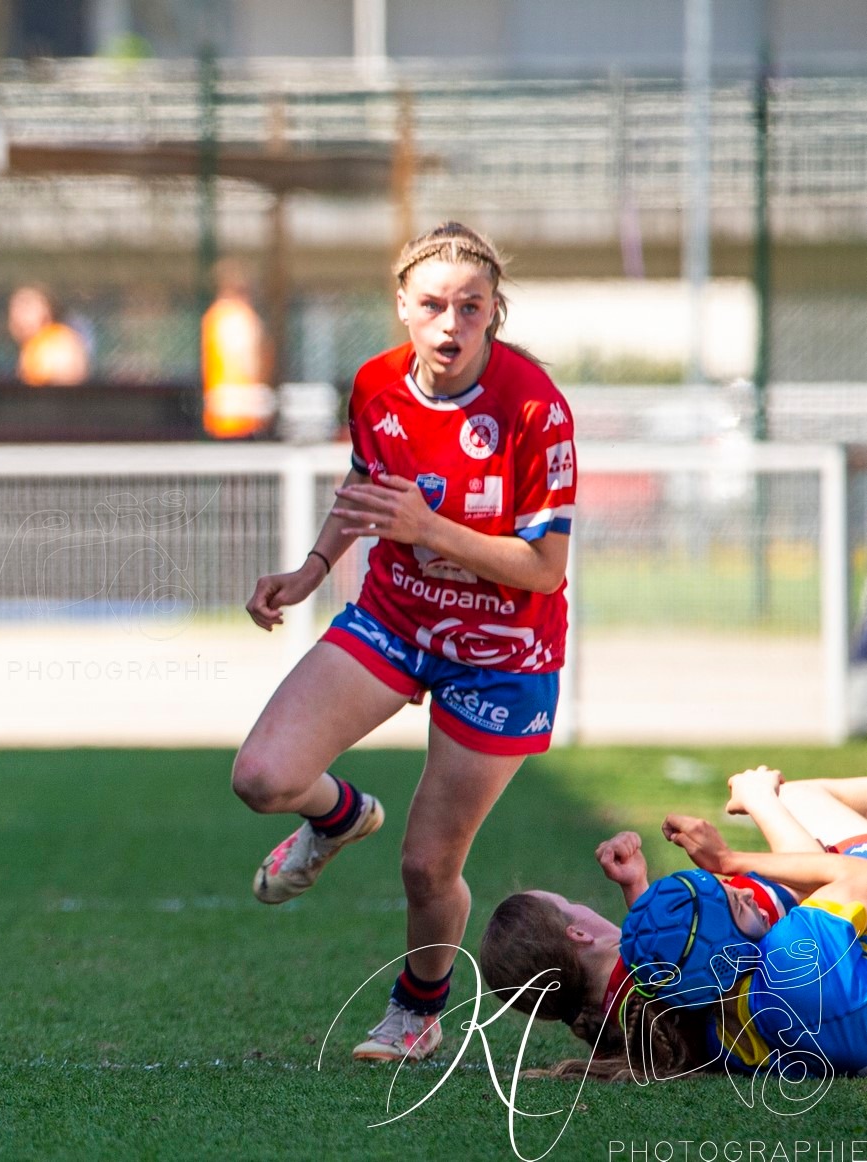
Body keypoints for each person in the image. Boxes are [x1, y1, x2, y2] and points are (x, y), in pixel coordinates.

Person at [232, 222, 576, 1062]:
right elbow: (366, 480)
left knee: (426, 867)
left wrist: (433, 529)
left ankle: (415, 1013)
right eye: (431, 305)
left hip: (501, 654)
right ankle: (340, 816)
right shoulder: (375, 384)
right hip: (396, 616)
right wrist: (313, 567)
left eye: (470, 306)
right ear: (400, 305)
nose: (450, 324)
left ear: (494, 310)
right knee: (263, 778)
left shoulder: (534, 407)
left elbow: (543, 569)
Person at [479, 766, 867, 1079]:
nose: (738, 892)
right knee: (795, 796)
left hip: (813, 1009)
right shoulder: (783, 960)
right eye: (571, 903)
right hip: (816, 967)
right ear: (578, 934)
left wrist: (638, 889)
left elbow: (666, 964)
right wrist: (742, 834)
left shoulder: (630, 1031)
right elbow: (826, 877)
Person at [201, 259, 274, 439]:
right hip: (235, 410)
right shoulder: (234, 317)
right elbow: (252, 362)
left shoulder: (216, 316)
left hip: (232, 409)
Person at [7, 284, 88, 387]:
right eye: (14, 307)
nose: (17, 314)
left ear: (47, 311)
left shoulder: (58, 343)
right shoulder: (32, 347)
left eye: (26, 306)